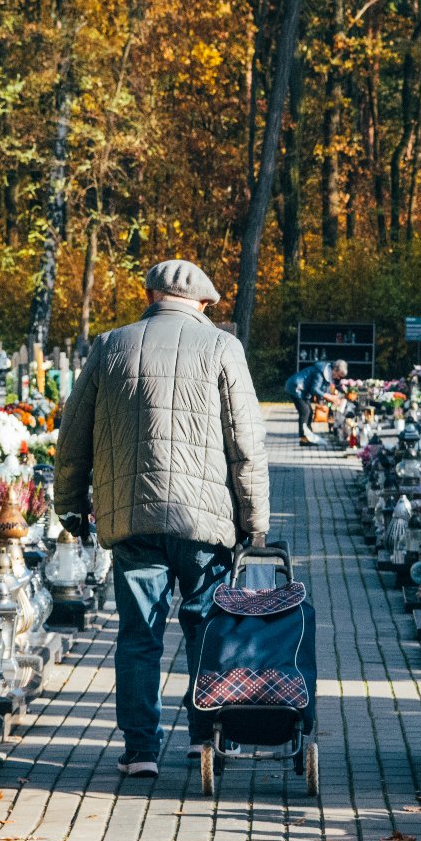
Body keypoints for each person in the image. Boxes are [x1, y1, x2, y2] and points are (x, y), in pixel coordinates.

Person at [54, 259, 270, 777]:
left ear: (150, 296)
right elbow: (246, 441)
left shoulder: (111, 345)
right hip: (205, 521)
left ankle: (140, 751)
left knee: (138, 636)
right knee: (205, 629)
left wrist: (70, 504)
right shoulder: (222, 347)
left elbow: (73, 434)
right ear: (203, 303)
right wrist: (254, 520)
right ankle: (205, 739)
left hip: (132, 516)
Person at [285, 358, 348, 446]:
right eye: (338, 375)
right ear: (334, 369)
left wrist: (332, 399)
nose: (338, 378)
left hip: (303, 391)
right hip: (296, 387)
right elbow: (314, 389)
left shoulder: (327, 374)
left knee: (310, 412)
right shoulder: (320, 373)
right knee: (305, 412)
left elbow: (324, 391)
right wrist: (330, 397)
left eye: (340, 377)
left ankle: (309, 436)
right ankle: (304, 438)